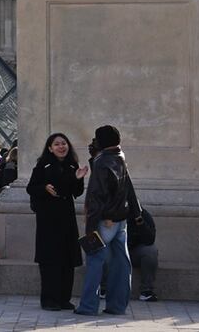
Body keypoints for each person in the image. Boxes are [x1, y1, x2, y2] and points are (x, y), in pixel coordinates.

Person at [75, 125, 141, 317]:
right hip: (121, 219)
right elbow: (128, 185)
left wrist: (90, 227)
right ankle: (117, 306)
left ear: (101, 141)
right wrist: (136, 212)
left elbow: (97, 195)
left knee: (95, 262)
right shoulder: (120, 156)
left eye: (96, 139)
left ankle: (88, 306)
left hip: (104, 220)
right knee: (121, 263)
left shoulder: (103, 161)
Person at [26, 133, 87, 311]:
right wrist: (44, 188)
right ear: (50, 148)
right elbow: (31, 187)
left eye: (64, 143)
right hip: (48, 218)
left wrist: (79, 178)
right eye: (57, 144)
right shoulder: (42, 166)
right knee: (50, 259)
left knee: (67, 258)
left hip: (66, 215)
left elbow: (77, 192)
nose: (61, 147)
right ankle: (49, 299)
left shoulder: (72, 165)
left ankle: (63, 298)